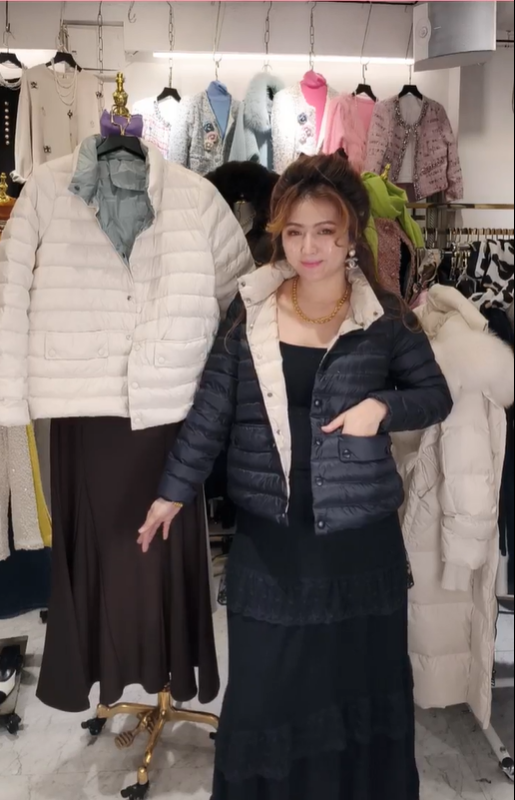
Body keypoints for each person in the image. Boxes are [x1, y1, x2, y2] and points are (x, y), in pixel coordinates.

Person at [138, 153, 453, 800]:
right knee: (265, 692)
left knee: (357, 684)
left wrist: (381, 408)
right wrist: (172, 492)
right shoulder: (249, 309)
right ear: (278, 233)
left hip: (359, 543)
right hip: (273, 541)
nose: (309, 248)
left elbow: (434, 396)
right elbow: (212, 410)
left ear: (351, 234)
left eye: (325, 232)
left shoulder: (384, 317)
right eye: (295, 232)